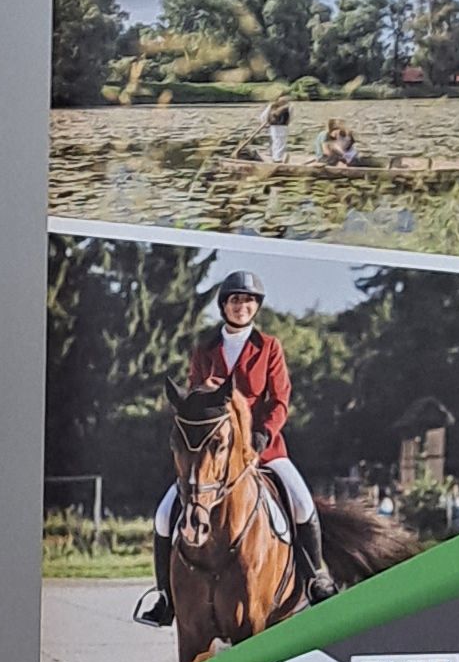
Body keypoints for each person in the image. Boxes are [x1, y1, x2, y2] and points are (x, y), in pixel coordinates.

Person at [137, 268, 333, 625]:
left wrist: (263, 435)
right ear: (224, 305)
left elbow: (280, 399)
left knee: (303, 503)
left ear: (256, 307)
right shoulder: (205, 350)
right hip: (213, 454)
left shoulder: (269, 347)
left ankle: (314, 577)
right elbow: (195, 397)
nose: (241, 306)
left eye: (248, 300)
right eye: (235, 300)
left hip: (264, 449)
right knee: (165, 514)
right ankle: (165, 597)